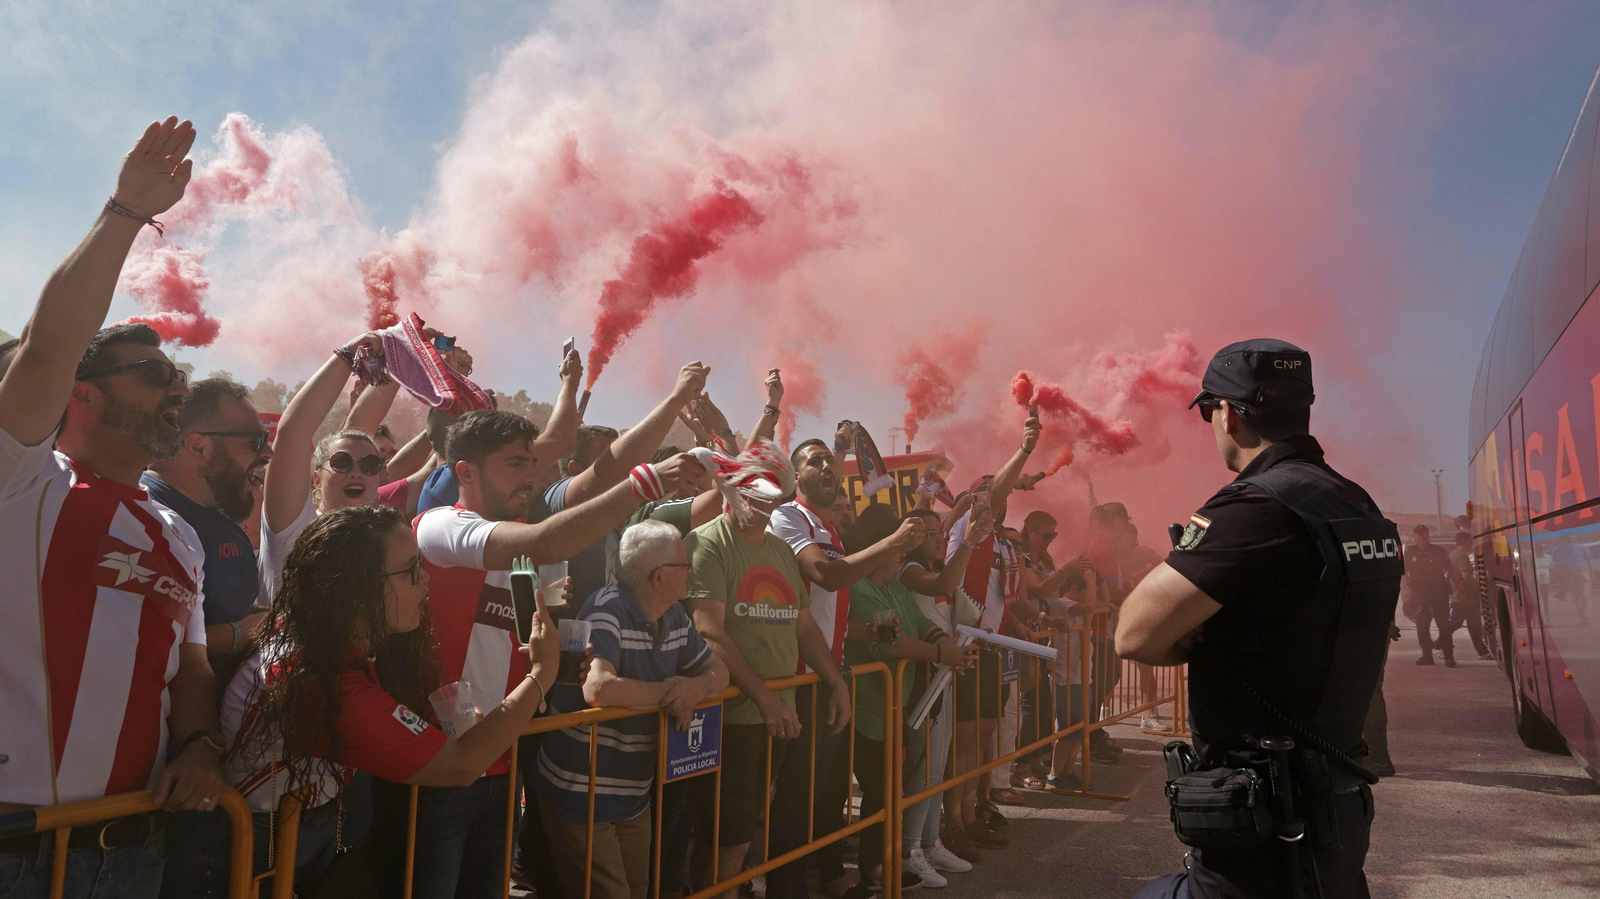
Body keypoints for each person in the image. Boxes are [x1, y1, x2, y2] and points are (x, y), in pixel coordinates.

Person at [0, 117, 228, 896]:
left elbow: (190, 663)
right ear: (85, 394)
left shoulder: (176, 532)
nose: (178, 390)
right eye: (154, 375)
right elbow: (46, 349)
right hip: (17, 849)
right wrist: (126, 213)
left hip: (135, 849)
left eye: (178, 377)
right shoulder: (25, 482)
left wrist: (199, 743)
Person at [1119, 338, 1401, 899]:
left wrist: (1196, 637)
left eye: (1208, 411)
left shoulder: (1255, 507)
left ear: (1226, 411)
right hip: (1339, 809)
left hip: (1261, 822)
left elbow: (1134, 633)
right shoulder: (1356, 504)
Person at [382, 409, 703, 899]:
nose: (532, 476)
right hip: (439, 763)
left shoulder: (527, 555)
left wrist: (559, 652)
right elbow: (548, 538)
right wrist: (643, 484)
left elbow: (520, 643)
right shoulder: (439, 526)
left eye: (533, 463)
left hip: (501, 759)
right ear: (465, 472)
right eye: (515, 464)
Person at [221, 505, 561, 895]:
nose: (426, 584)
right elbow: (460, 765)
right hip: (258, 846)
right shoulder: (321, 680)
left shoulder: (320, 634)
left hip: (297, 826)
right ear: (356, 587)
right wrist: (541, 675)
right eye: (411, 571)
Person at [682, 441, 852, 899]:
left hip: (777, 716)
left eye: (770, 492)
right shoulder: (706, 543)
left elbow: (803, 625)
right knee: (729, 838)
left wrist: (835, 681)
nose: (760, 501)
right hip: (734, 719)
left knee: (742, 832)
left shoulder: (779, 551)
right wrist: (764, 699)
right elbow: (709, 632)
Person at [764, 437, 925, 899]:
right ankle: (786, 890)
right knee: (795, 799)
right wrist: (891, 543)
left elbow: (826, 609)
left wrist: (863, 634)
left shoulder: (827, 527)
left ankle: (825, 877)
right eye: (814, 461)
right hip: (796, 677)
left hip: (828, 675)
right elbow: (826, 577)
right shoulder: (789, 516)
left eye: (831, 461)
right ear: (796, 476)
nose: (827, 467)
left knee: (822, 795)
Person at [534, 521, 729, 899]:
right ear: (659, 577)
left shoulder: (673, 615)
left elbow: (718, 672)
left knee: (637, 891)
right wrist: (671, 693)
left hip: (633, 794)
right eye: (684, 565)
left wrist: (693, 688)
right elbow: (599, 688)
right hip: (581, 791)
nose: (691, 570)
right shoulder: (607, 609)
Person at [839, 504, 974, 896]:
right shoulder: (858, 586)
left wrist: (943, 643)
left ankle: (881, 863)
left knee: (887, 793)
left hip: (892, 708)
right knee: (878, 794)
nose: (903, 553)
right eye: (899, 545)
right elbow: (889, 645)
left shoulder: (893, 585)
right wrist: (940, 655)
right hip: (865, 711)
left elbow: (919, 623)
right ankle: (872, 870)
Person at [943, 411, 1040, 839]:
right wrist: (1024, 450)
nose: (995, 502)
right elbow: (992, 491)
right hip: (966, 647)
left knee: (983, 740)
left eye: (998, 499)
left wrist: (1018, 627)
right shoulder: (969, 528)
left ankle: (974, 810)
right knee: (963, 745)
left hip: (991, 649)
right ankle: (956, 823)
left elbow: (1003, 598)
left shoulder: (998, 540)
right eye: (986, 495)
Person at [144, 378, 271, 658]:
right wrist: (249, 630)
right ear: (199, 447)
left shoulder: (223, 517)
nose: (267, 453)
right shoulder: (143, 513)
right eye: (256, 441)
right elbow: (150, 637)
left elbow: (229, 609)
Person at [899, 508, 985, 871]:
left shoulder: (934, 570)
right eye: (931, 533)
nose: (938, 538)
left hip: (944, 675)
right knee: (925, 767)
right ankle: (909, 851)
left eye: (940, 532)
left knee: (938, 767)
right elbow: (942, 587)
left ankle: (930, 843)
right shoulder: (909, 570)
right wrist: (968, 540)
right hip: (923, 679)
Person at [1404, 525, 1466, 667]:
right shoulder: (1409, 552)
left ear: (1428, 537)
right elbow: (1403, 572)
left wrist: (1461, 590)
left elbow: (1451, 571)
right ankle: (1427, 656)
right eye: (1419, 537)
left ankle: (1449, 657)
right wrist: (1407, 587)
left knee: (1443, 624)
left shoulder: (1438, 551)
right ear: (1414, 537)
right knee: (1422, 625)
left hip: (1438, 593)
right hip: (1419, 595)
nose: (1422, 539)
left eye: (1424, 536)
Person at [1448, 531, 1492, 659]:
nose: (1471, 544)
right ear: (1466, 542)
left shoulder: (1453, 554)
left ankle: (1482, 650)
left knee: (1473, 624)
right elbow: (1465, 574)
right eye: (1470, 541)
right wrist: (1477, 584)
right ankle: (1437, 644)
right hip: (1463, 596)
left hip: (1464, 596)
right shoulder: (1462, 555)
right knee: (1456, 623)